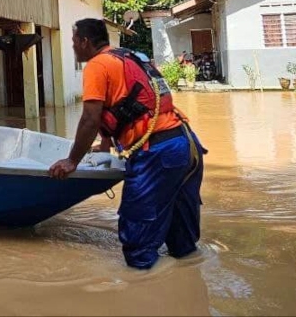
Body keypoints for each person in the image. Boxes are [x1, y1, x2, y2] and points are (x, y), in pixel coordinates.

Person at [49, 19, 206, 269]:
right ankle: (188, 287)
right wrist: (105, 143)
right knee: (183, 244)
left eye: (73, 42)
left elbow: (90, 118)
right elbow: (129, 103)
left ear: (84, 42)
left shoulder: (96, 66)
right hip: (185, 144)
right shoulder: (129, 57)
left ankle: (143, 291)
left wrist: (72, 161)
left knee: (137, 244)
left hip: (156, 153)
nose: (73, 48)